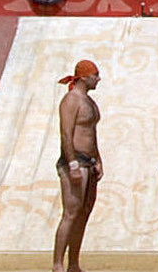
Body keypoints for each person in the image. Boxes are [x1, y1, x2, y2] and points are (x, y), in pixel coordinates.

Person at [51, 58, 101, 272]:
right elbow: (66, 132)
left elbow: (92, 133)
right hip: (75, 160)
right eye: (96, 75)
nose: (98, 79)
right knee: (71, 212)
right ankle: (58, 264)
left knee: (84, 212)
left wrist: (98, 159)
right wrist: (71, 162)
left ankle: (74, 263)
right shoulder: (71, 100)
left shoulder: (89, 101)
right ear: (85, 77)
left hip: (89, 161)